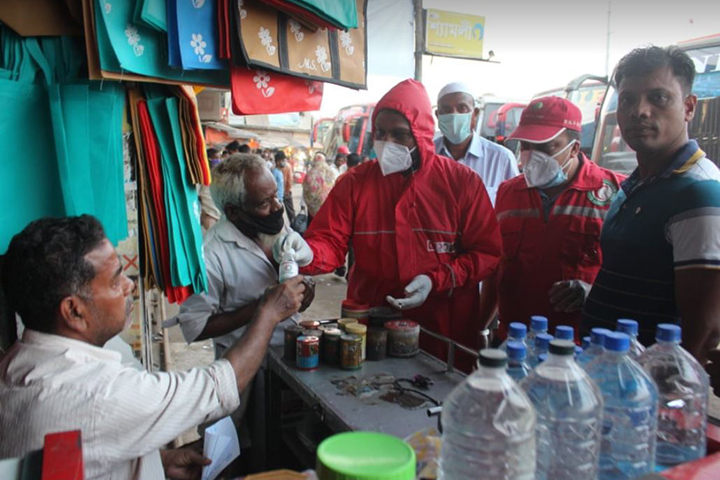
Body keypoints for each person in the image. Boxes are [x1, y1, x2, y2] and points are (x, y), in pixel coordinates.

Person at [0, 215, 306, 480]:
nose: (129, 286)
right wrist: (269, 311)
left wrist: (153, 464)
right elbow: (220, 385)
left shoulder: (19, 361)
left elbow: (85, 454)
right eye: (116, 279)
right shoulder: (96, 394)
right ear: (74, 311)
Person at [278, 79, 502, 370]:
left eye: (400, 135)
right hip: (370, 327)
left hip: (444, 327)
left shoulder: (462, 183)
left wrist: (437, 279)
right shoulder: (356, 183)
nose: (388, 143)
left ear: (420, 135)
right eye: (381, 133)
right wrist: (308, 252)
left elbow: (487, 253)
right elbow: (330, 242)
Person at [581, 46, 720, 363]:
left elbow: (704, 330)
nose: (639, 111)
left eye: (658, 98)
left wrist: (666, 399)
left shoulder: (699, 194)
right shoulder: (631, 185)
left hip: (648, 395)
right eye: (627, 99)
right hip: (609, 376)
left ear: (688, 107)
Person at [478, 97, 624, 342]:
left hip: (581, 348)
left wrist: (595, 293)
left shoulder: (616, 193)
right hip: (515, 343)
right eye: (526, 145)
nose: (532, 156)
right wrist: (479, 328)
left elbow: (632, 277)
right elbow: (495, 269)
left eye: (545, 147)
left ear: (575, 148)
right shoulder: (508, 192)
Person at [177, 154, 315, 359]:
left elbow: (289, 286)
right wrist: (264, 306)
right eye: (263, 203)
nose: (277, 207)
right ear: (233, 212)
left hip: (289, 352)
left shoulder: (272, 225)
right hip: (245, 366)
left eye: (275, 196)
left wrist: (303, 291)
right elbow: (195, 328)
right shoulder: (212, 255)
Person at [434, 82, 519, 204]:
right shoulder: (426, 155)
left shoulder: (501, 158)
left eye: (462, 108)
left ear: (475, 114)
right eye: (446, 110)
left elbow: (515, 207)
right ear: (438, 115)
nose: (454, 115)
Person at [302, 152, 337, 224]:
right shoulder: (330, 172)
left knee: (312, 224)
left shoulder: (310, 173)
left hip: (312, 206)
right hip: (326, 206)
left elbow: (305, 189)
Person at [276, 150, 296, 224]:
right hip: (285, 192)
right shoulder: (287, 166)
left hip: (278, 193)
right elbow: (289, 180)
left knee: (277, 210)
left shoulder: (273, 168)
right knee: (290, 211)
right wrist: (287, 191)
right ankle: (293, 224)